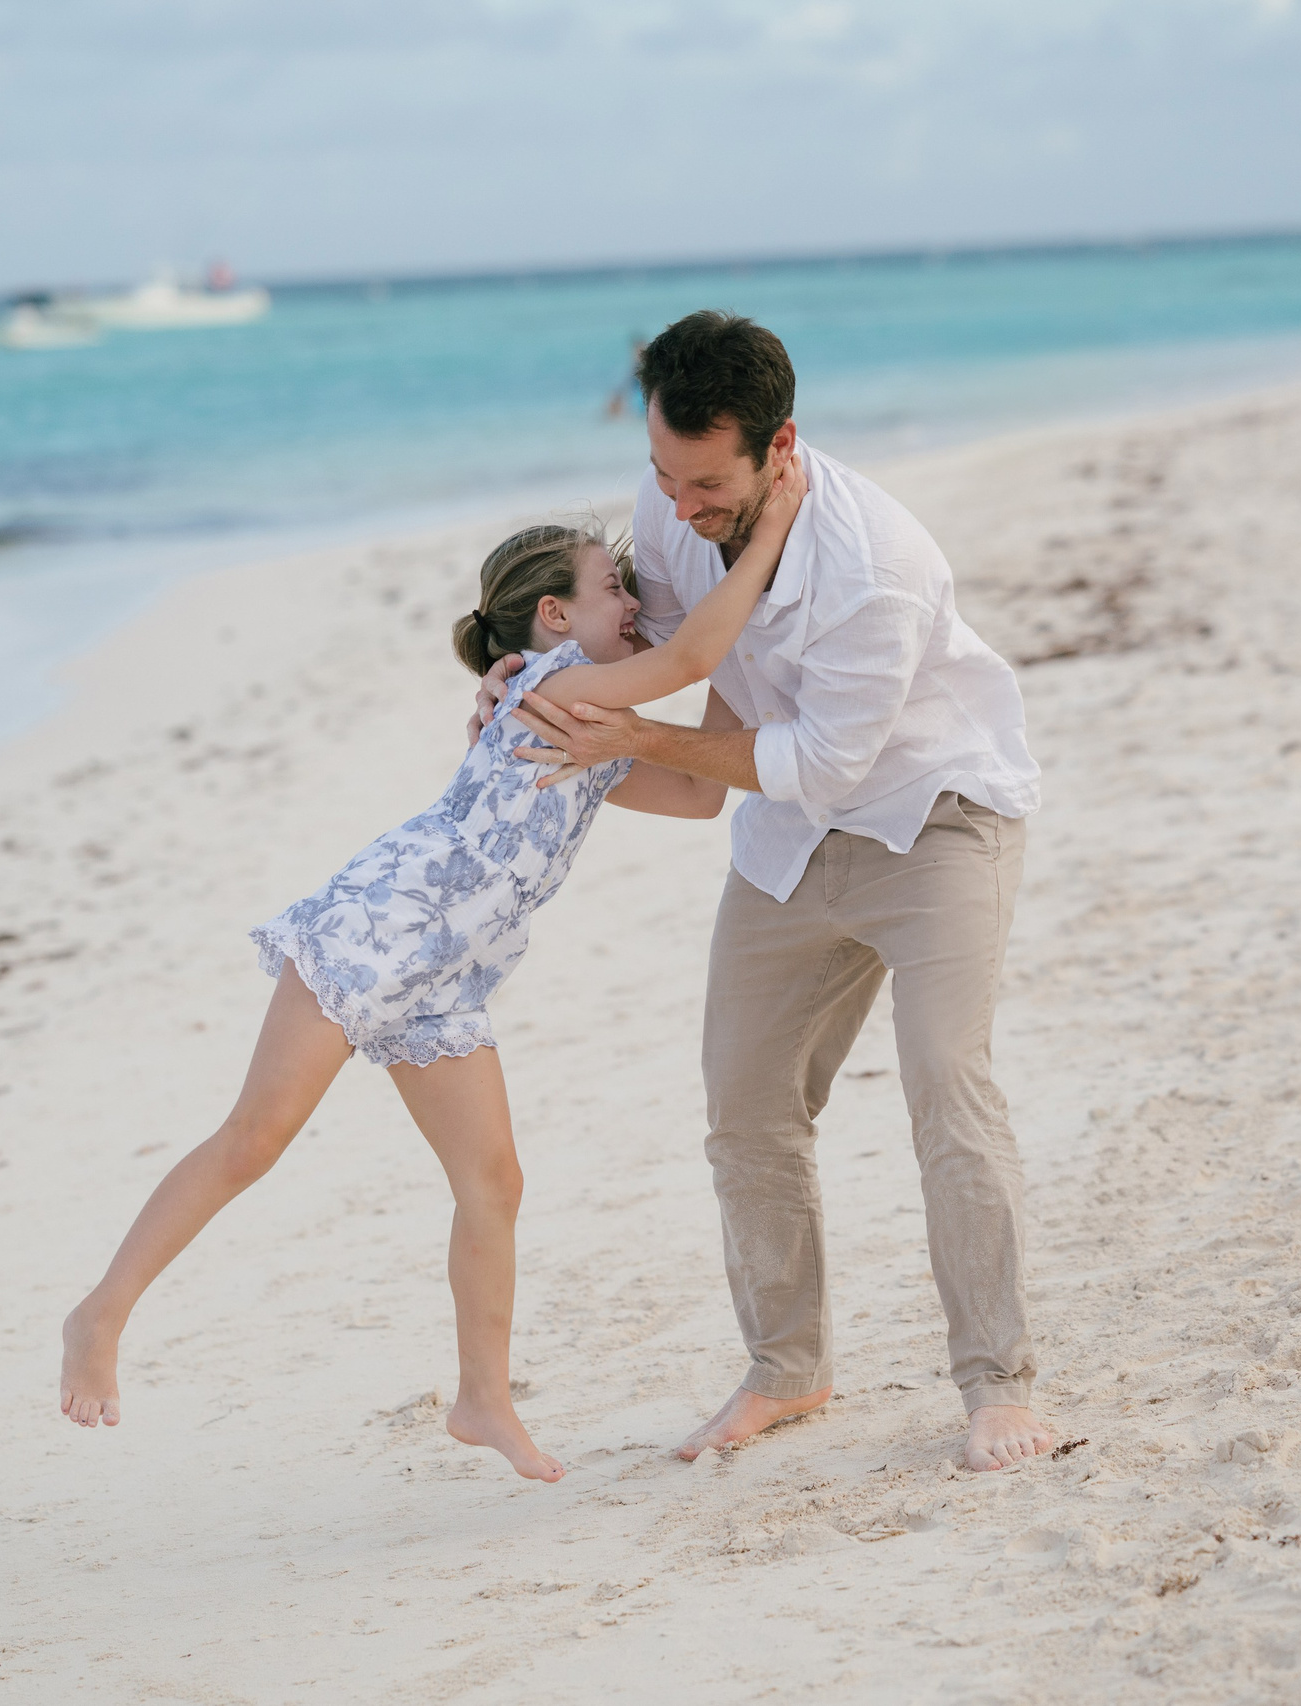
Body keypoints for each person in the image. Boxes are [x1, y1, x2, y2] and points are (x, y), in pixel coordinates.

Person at [57, 464, 805, 1482]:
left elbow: (694, 792)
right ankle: (100, 1311)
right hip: (381, 926)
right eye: (612, 588)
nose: (631, 603)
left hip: (450, 974)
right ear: (554, 615)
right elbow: (690, 650)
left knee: (492, 1182)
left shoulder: (588, 728)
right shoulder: (552, 686)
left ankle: (479, 1397)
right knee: (254, 1138)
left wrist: (732, 656)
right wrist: (750, 553)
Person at [480, 310, 1053, 1472]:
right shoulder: (669, 500)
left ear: (779, 446)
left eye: (704, 486)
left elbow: (818, 762)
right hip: (790, 841)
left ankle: (997, 1381)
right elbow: (656, 648)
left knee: (948, 1083)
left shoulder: (877, 570)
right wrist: (524, 684)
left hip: (929, 817)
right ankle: (789, 1368)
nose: (675, 510)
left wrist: (634, 728)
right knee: (745, 1104)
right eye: (662, 476)